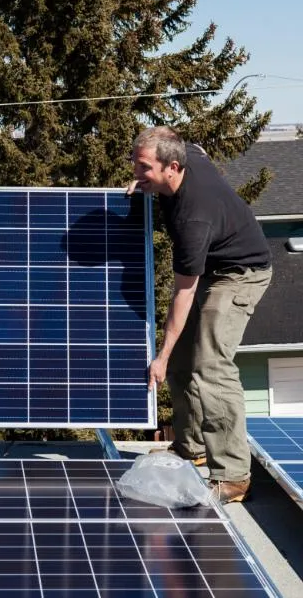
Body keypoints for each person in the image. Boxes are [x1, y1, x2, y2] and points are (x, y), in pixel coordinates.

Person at [129, 126, 271, 504]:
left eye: (142, 166)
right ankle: (190, 446)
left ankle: (234, 476)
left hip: (240, 274)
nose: (134, 170)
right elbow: (183, 139)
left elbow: (184, 292)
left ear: (172, 167)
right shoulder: (188, 153)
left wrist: (159, 356)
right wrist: (144, 178)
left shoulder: (193, 218)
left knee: (209, 365)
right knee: (180, 364)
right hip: (212, 266)